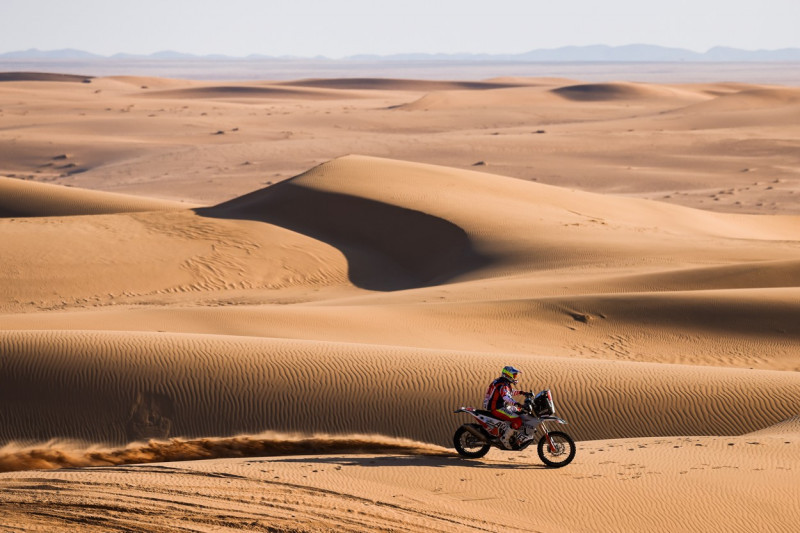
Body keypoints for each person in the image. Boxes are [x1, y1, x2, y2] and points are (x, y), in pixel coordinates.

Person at [483, 365, 527, 448]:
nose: (515, 377)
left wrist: (522, 392)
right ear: (508, 375)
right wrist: (516, 403)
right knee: (517, 420)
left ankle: (509, 433)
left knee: (519, 410)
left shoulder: (502, 382)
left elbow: (509, 392)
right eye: (514, 375)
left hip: (499, 406)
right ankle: (505, 438)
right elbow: (506, 397)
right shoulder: (502, 384)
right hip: (496, 408)